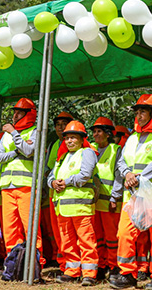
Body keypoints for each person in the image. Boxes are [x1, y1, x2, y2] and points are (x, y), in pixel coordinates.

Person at [109, 94, 152, 290]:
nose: (139, 116)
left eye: (143, 111)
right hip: (133, 195)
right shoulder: (132, 138)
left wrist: (135, 177)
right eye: (137, 112)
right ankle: (127, 274)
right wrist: (127, 173)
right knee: (124, 233)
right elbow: (121, 161)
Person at [0, 98, 46, 266]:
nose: (15, 115)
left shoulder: (35, 132)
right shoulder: (6, 135)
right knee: (10, 229)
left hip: (27, 186)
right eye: (14, 112)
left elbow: (29, 151)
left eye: (19, 112)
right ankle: (12, 265)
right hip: (7, 187)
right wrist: (16, 152)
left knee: (31, 228)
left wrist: (14, 134)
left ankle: (34, 265)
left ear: (28, 114)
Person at [49, 121, 100, 286]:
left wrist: (66, 182)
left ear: (81, 139)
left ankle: (89, 274)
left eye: (73, 137)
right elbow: (51, 175)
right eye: (67, 138)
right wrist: (53, 183)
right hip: (63, 207)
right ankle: (72, 272)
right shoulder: (62, 157)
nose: (69, 141)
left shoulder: (87, 153)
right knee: (67, 242)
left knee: (86, 241)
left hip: (81, 206)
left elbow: (85, 175)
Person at [90, 117, 123, 280]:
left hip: (110, 201)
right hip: (94, 203)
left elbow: (119, 176)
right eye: (94, 132)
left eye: (99, 131)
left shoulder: (116, 150)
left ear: (108, 134)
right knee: (98, 236)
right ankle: (101, 265)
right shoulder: (90, 149)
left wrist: (115, 197)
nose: (96, 135)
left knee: (112, 237)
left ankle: (114, 265)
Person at [46, 111, 75, 272]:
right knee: (58, 231)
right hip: (54, 195)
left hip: (73, 198)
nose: (61, 128)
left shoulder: (81, 146)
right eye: (58, 125)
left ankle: (72, 265)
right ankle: (62, 261)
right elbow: (49, 169)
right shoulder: (53, 145)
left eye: (64, 124)